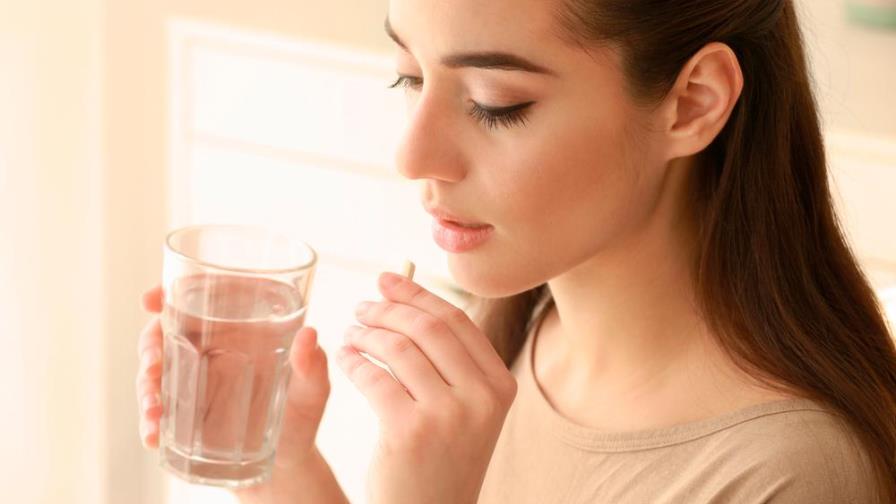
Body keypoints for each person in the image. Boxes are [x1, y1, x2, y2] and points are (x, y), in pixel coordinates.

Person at [136, 0, 896, 502]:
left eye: (497, 106)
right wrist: (285, 466)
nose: (412, 154)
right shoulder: (511, 332)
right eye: (409, 74)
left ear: (693, 102)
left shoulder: (789, 477)